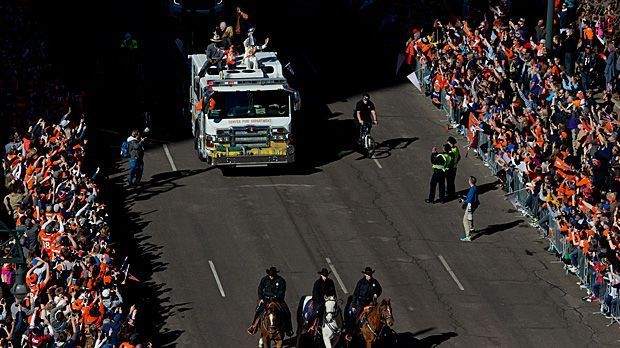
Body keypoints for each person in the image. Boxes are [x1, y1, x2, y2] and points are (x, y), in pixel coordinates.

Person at [247, 267, 293, 336]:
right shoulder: (264, 280)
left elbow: (282, 291)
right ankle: (253, 326)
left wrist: (275, 297)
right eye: (270, 275)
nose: (271, 277)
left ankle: (288, 328)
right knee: (258, 310)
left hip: (278, 300)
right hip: (266, 300)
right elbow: (260, 289)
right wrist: (261, 298)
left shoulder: (281, 280)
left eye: (272, 275)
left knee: (287, 312)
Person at [345, 267, 382, 339]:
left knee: (380, 314)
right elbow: (355, 294)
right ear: (365, 274)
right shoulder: (361, 282)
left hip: (371, 303)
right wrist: (354, 305)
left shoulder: (375, 282)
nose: (369, 276)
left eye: (370, 274)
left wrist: (376, 294)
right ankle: (350, 333)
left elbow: (380, 290)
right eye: (368, 274)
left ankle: (380, 331)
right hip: (361, 303)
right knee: (356, 317)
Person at [308, 268, 336, 333]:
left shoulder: (331, 282)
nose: (325, 277)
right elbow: (315, 294)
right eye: (324, 276)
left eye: (326, 276)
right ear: (321, 275)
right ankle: (313, 325)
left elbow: (333, 292)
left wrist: (333, 299)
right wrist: (322, 301)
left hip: (329, 302)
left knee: (335, 311)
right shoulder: (317, 283)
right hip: (319, 302)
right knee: (317, 313)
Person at [460, 176, 479, 242]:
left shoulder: (472, 189)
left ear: (470, 181)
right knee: (469, 216)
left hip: (471, 205)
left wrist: (465, 203)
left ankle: (468, 236)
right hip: (475, 204)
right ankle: (472, 228)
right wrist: (464, 198)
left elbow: (470, 198)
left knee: (465, 220)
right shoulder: (474, 188)